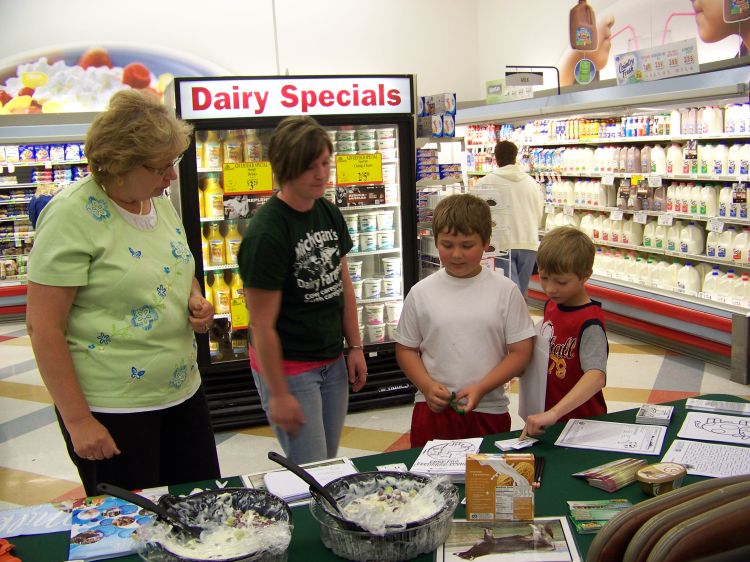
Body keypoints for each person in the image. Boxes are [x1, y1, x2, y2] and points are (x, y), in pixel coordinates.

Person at [26, 89, 221, 496]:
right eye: (160, 166)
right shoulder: (69, 216)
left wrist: (195, 299)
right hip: (114, 410)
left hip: (183, 393)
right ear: (119, 164)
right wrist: (78, 420)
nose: (171, 176)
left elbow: (178, 268)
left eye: (174, 163)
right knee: (134, 530)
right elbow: (43, 328)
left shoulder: (159, 203)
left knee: (200, 506)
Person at [238, 116, 367, 465]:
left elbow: (343, 285)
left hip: (330, 358)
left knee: (327, 460)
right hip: (290, 367)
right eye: (310, 167)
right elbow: (261, 324)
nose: (322, 174)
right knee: (310, 467)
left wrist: (354, 346)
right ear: (285, 168)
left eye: (325, 163)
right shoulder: (267, 234)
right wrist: (277, 393)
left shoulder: (326, 211)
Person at [395, 194, 535, 448]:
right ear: (434, 241)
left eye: (467, 245)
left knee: (485, 484)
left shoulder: (506, 291)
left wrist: (482, 387)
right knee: (429, 484)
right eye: (447, 245)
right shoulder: (421, 292)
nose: (456, 254)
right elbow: (406, 348)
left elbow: (521, 352)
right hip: (432, 410)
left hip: (489, 410)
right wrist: (426, 385)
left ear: (486, 243)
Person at [521, 226, 608, 438]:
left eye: (561, 282)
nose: (550, 289)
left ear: (585, 275)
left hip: (582, 423)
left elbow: (596, 376)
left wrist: (554, 413)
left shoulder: (590, 322)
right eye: (544, 278)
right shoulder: (552, 306)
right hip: (550, 418)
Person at [474, 140, 544, 297]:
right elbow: (539, 214)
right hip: (529, 243)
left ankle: (513, 321)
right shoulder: (532, 183)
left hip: (501, 244)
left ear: (496, 158)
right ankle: (522, 320)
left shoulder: (485, 182)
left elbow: (474, 215)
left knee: (508, 295)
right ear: (515, 157)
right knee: (521, 293)